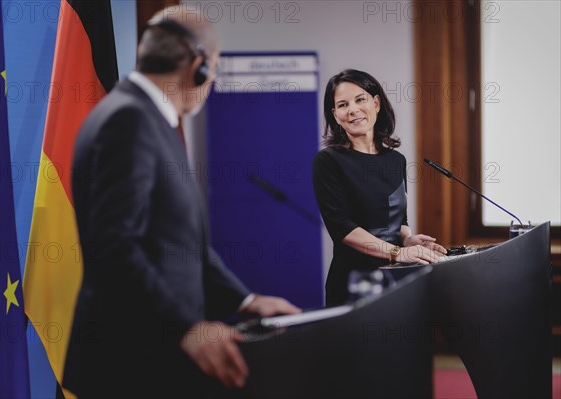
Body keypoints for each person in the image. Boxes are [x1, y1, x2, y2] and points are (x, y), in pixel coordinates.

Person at [62, 6, 300, 398]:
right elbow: (115, 245)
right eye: (216, 68)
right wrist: (186, 327)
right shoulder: (129, 120)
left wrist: (248, 300)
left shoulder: (150, 118)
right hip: (128, 362)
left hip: (152, 357)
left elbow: (183, 244)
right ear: (199, 66)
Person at [313, 69, 447, 306]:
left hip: (397, 278)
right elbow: (341, 227)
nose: (353, 109)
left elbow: (398, 219)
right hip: (354, 282)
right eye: (343, 105)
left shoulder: (396, 160)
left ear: (376, 103)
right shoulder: (328, 161)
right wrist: (397, 252)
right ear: (335, 115)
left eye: (360, 99)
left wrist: (408, 240)